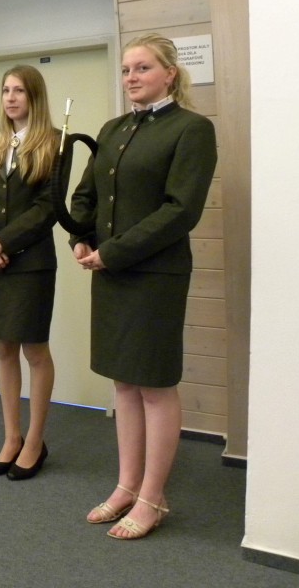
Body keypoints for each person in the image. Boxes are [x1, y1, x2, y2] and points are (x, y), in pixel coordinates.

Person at [70, 34, 217, 540]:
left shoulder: (192, 129)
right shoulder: (113, 129)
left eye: (143, 68)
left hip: (154, 276)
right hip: (110, 272)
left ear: (169, 73)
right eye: (126, 69)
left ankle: (153, 498)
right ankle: (126, 486)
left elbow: (181, 210)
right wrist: (80, 236)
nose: (131, 77)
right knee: (123, 383)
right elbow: (87, 195)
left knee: (154, 384)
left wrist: (113, 252)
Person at [0, 65, 58, 481]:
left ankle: (36, 442)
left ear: (33, 97)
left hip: (31, 263)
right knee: (3, 350)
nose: (10, 98)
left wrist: (3, 243)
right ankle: (12, 437)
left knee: (34, 353)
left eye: (19, 90)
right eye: (6, 90)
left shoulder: (54, 143)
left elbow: (47, 209)